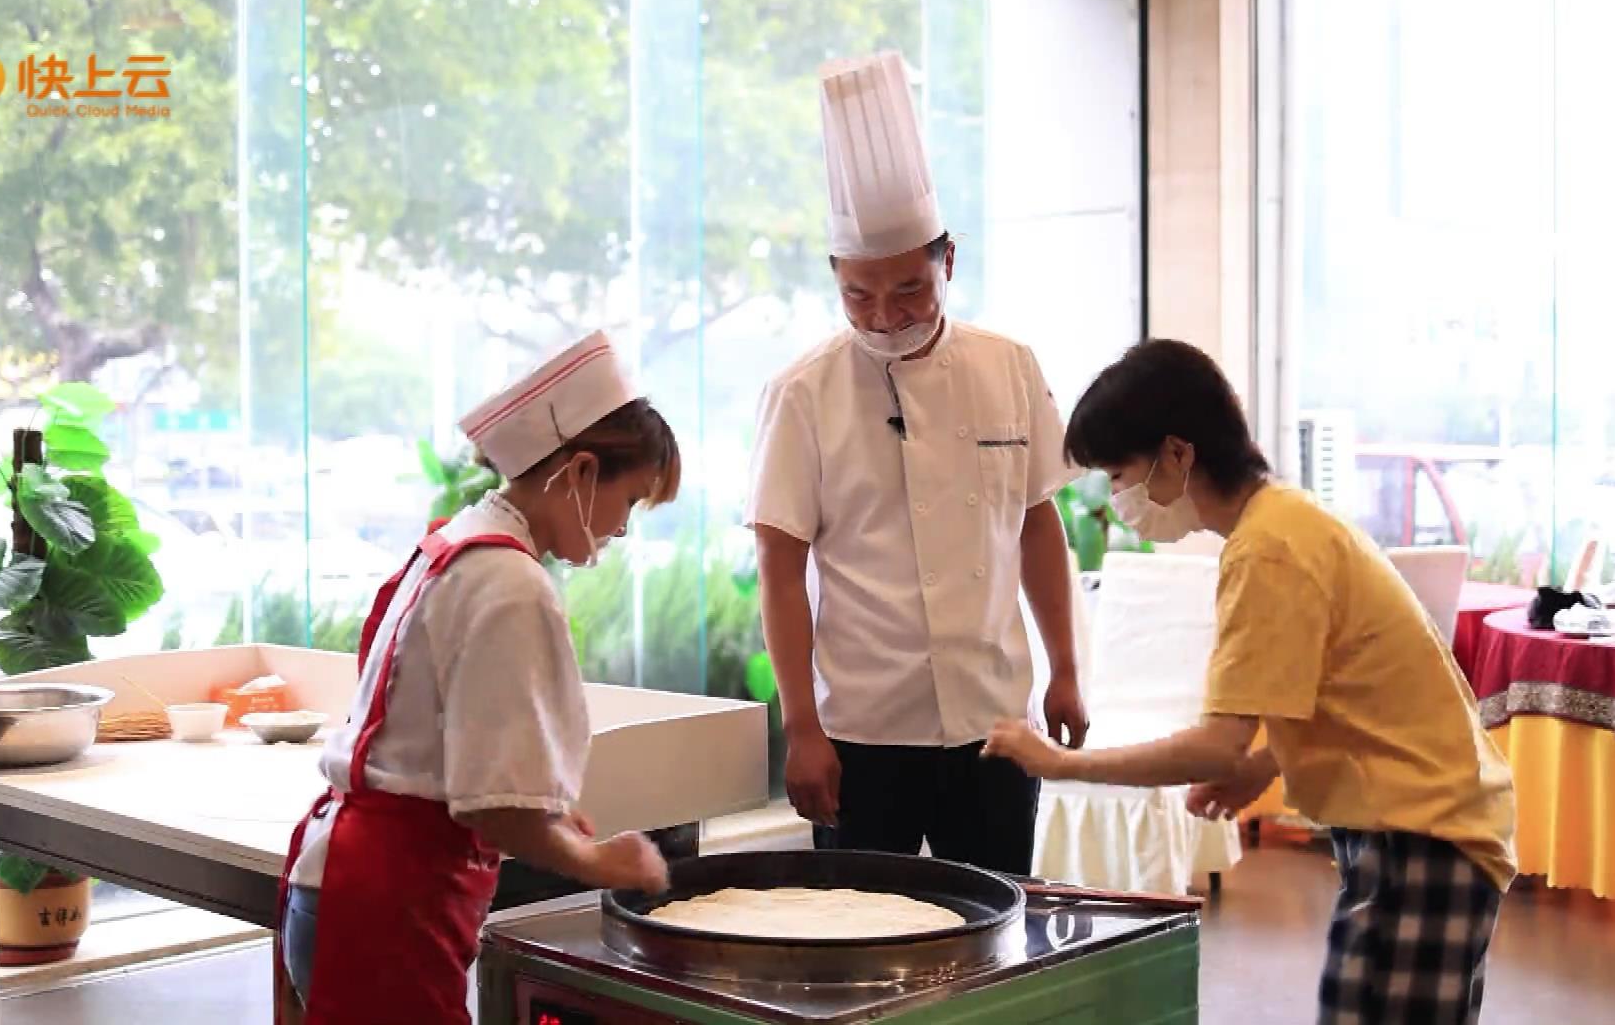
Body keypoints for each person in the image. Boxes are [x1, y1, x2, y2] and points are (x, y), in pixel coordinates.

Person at [984, 339, 1516, 1023]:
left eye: (1119, 475)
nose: (1118, 499)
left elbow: (1215, 745)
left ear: (1177, 454)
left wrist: (1062, 762)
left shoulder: (1268, 551)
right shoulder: (1285, 522)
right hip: (1418, 827)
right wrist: (1266, 764)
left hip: (1424, 836)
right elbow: (1335, 693)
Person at [746, 50, 1088, 877]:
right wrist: (802, 729)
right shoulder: (802, 391)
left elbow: (1038, 524)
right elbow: (780, 567)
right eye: (858, 294)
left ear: (949, 263)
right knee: (862, 947)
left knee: (999, 931)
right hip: (861, 729)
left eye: (907, 290)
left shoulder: (1009, 364)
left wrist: (1067, 670)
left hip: (994, 715)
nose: (884, 315)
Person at [277, 331, 677, 1024]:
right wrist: (603, 864)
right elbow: (490, 809)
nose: (622, 529)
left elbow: (448, 741)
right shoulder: (509, 581)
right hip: (387, 907)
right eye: (631, 501)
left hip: (349, 883)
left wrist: (544, 813)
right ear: (581, 473)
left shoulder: (459, 542)